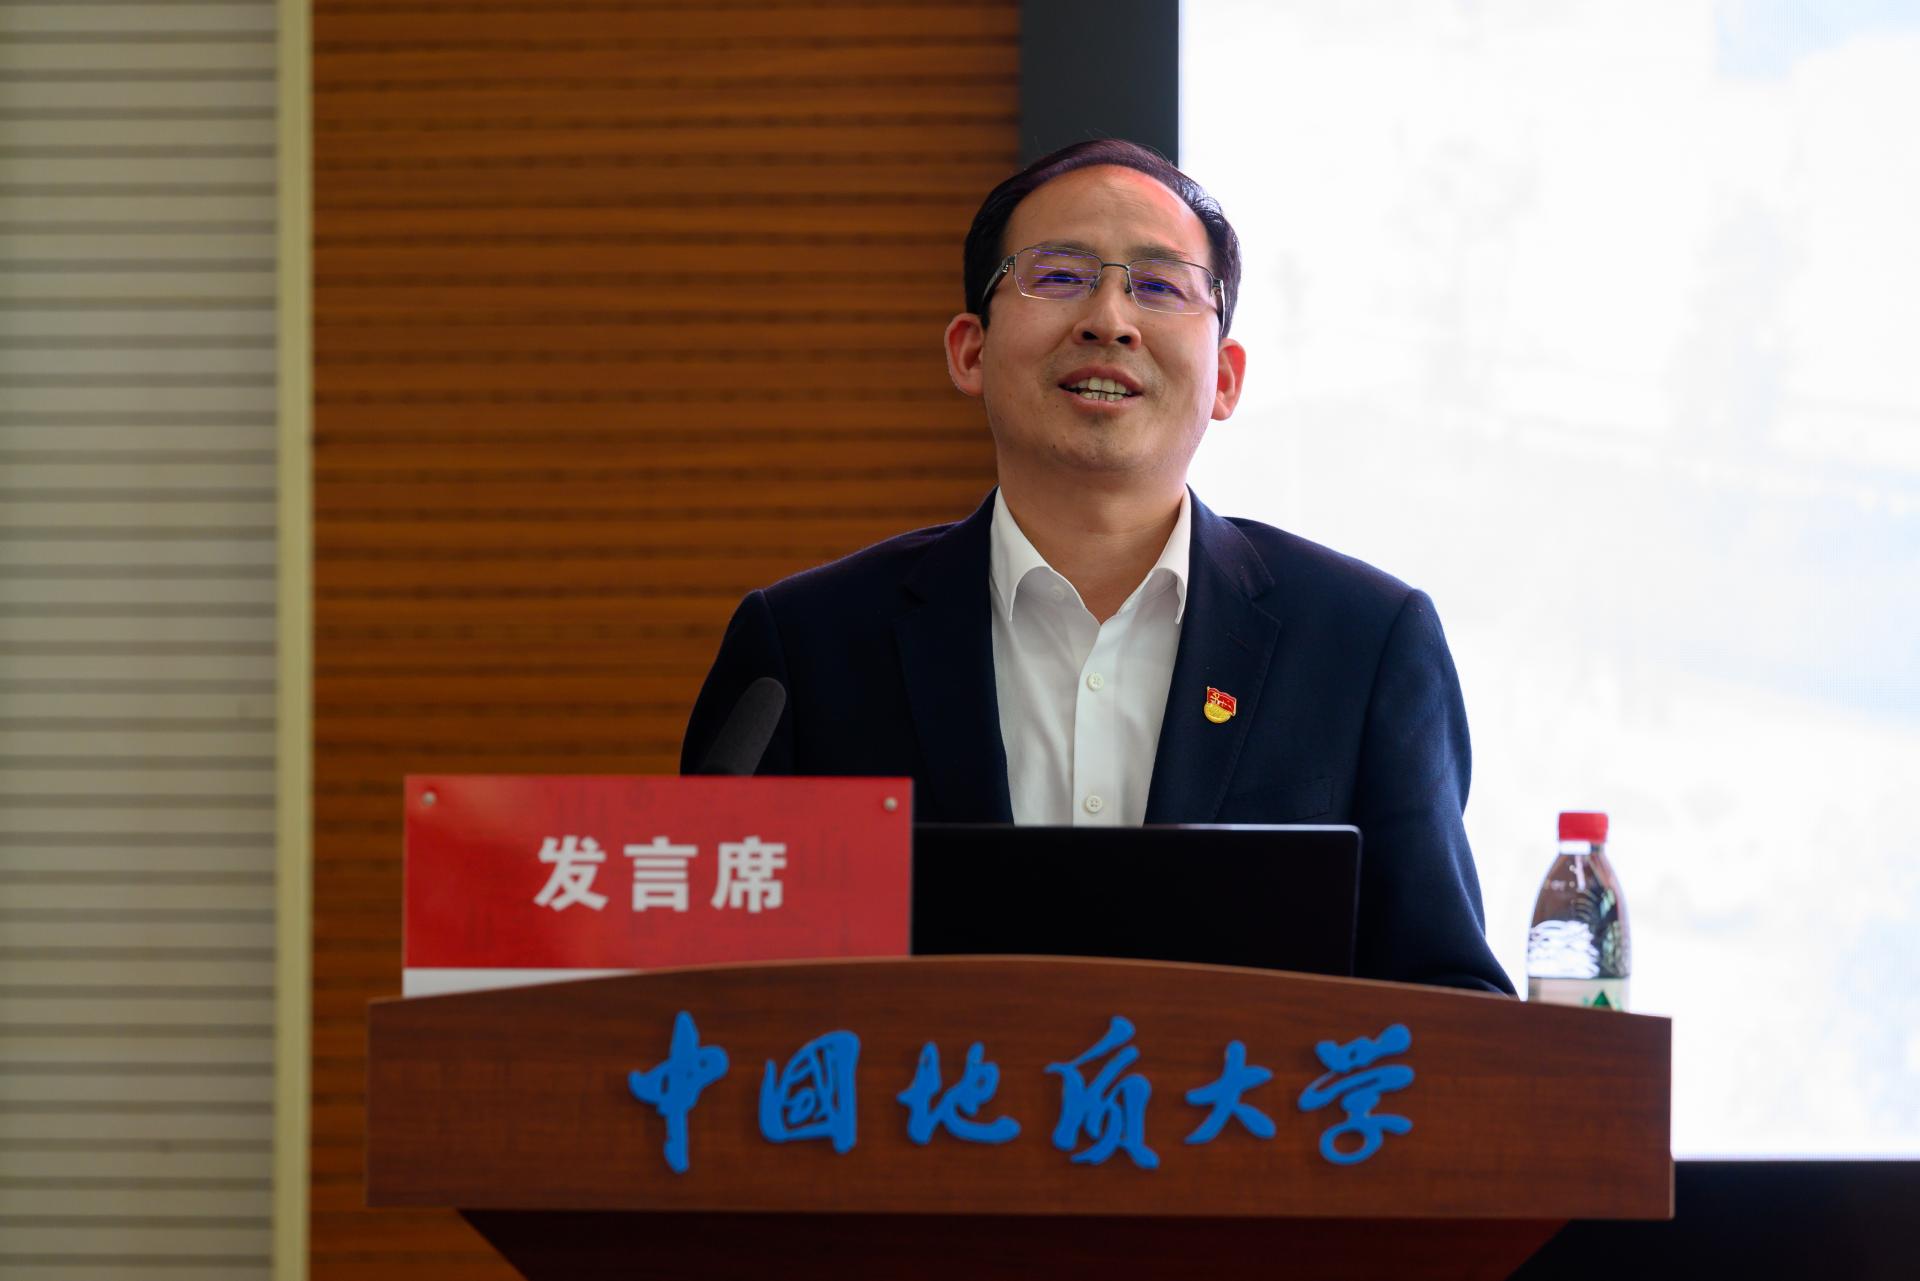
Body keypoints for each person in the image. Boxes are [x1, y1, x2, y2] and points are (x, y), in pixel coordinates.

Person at [682, 140, 1513, 994]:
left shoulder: (1361, 644)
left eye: (1160, 286)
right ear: (970, 351)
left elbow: (1452, 1000)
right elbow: (690, 994)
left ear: (1226, 377)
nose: (1109, 319)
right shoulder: (808, 648)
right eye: (1059, 275)